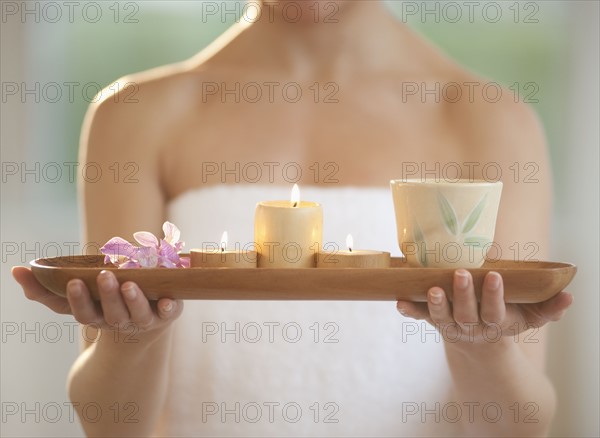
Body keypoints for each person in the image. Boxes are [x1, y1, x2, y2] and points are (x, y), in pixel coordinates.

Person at [12, 1, 573, 436]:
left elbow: (519, 425)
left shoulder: (492, 121)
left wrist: (484, 345)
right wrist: (127, 342)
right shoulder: (133, 115)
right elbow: (112, 425)